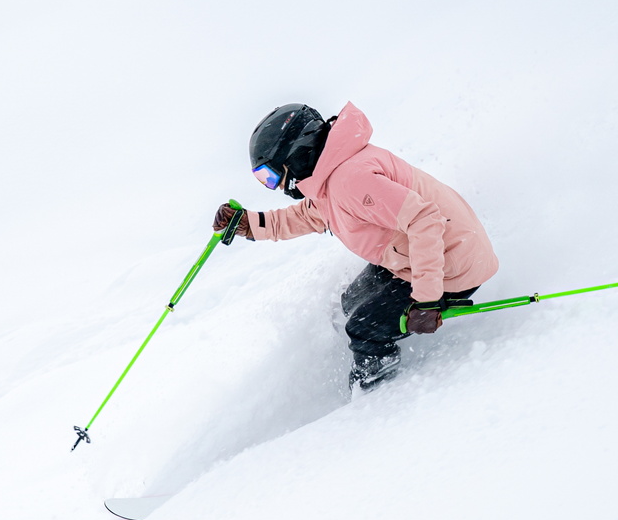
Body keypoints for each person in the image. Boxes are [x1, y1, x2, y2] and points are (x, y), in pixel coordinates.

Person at [213, 102, 499, 391]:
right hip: (414, 257)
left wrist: (426, 300)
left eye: (271, 176)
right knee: (350, 304)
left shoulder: (350, 180)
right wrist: (248, 224)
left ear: (297, 154)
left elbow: (425, 220)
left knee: (364, 329)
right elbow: (306, 215)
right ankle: (362, 356)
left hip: (452, 266)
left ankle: (375, 399)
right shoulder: (331, 178)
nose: (274, 185)